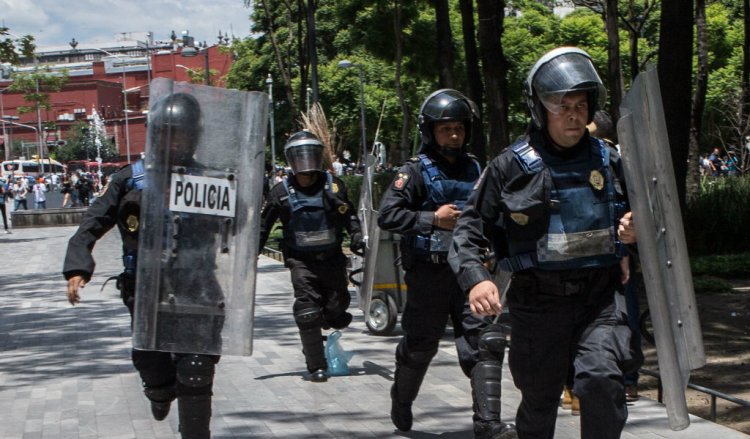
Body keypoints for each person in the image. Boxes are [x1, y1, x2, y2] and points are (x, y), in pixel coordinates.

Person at [449, 47, 640, 439]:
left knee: (601, 382)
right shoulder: (511, 165)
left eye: (581, 105)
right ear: (540, 109)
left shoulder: (610, 160)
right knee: (539, 403)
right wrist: (477, 279)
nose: (573, 114)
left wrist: (631, 232)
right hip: (538, 305)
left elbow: (644, 218)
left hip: (598, 299)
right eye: (562, 105)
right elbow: (469, 228)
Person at [64, 93, 225, 438]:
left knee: (196, 369)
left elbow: (237, 226)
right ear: (157, 134)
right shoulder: (130, 180)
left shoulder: (210, 180)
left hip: (198, 287)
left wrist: (238, 198)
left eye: (183, 132)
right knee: (151, 363)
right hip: (146, 289)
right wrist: (78, 266)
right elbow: (93, 222)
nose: (176, 140)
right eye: (169, 132)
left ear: (194, 135)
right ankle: (159, 389)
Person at [378, 89, 516, 438]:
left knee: (487, 341)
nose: (453, 135)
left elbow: (495, 214)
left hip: (470, 274)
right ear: (430, 132)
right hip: (428, 273)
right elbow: (388, 215)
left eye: (458, 128)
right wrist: (431, 219)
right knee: (421, 344)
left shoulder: (478, 169)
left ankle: (488, 425)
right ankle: (402, 399)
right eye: (445, 129)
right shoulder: (414, 172)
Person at [258, 130, 363, 383]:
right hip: (300, 261)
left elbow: (348, 215)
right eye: (300, 156)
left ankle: (329, 318)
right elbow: (263, 225)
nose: (306, 163)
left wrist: (358, 236)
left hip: (332, 259)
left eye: (310, 155)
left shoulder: (334, 186)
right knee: (307, 310)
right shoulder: (280, 192)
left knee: (338, 308)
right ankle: (316, 364)